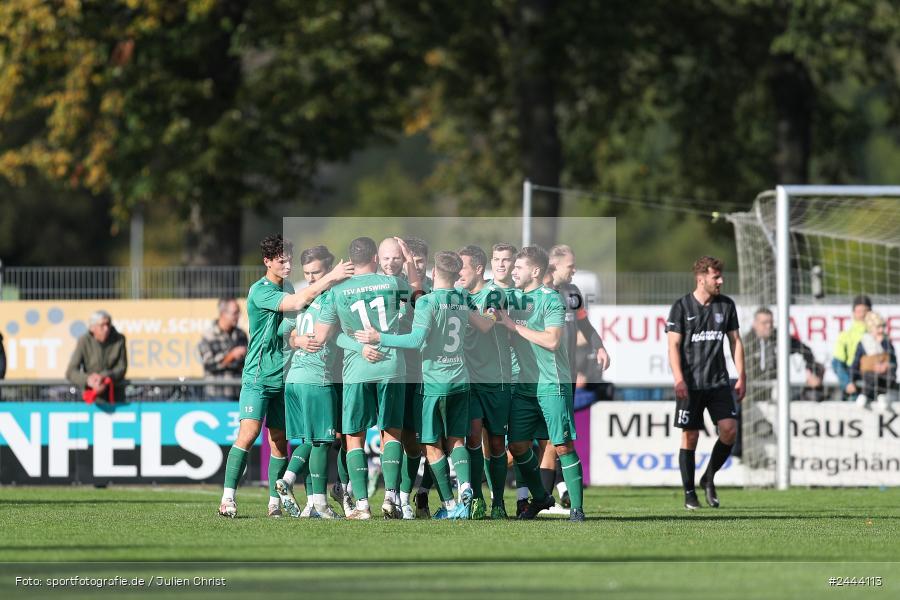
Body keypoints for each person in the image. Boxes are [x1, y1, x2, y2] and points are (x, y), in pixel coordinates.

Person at [218, 234, 353, 519]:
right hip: (258, 375)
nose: (287, 264)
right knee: (249, 432)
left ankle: (273, 502)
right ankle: (228, 498)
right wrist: (332, 277)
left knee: (279, 440)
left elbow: (287, 331)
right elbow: (296, 304)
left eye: (289, 259)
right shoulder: (260, 290)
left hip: (286, 377)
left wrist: (298, 341)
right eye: (282, 260)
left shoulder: (290, 286)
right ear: (267, 262)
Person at [354, 251, 495, 519]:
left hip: (434, 383)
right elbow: (485, 326)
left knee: (431, 444)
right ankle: (466, 488)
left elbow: (416, 340)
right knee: (456, 440)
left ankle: (452, 506)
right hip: (460, 379)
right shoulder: (462, 298)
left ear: (433, 273)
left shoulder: (427, 303)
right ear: (456, 275)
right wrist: (493, 316)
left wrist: (379, 337)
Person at [496, 245, 586, 522]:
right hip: (523, 387)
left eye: (519, 267)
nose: (514, 271)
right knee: (519, 446)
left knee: (561, 445)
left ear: (535, 271)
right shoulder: (511, 296)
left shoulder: (551, 299)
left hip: (552, 384)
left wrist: (514, 327)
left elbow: (552, 340)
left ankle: (577, 509)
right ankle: (542, 497)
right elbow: (487, 295)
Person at [330, 237, 415, 519]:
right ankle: (391, 496)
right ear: (376, 259)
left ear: (350, 261)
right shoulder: (393, 284)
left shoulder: (338, 290)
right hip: (392, 365)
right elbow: (418, 294)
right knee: (392, 431)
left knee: (354, 436)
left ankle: (363, 506)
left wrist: (359, 347)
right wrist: (409, 260)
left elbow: (331, 335)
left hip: (357, 369)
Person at [666, 256, 745, 510]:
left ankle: (708, 477)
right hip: (690, 384)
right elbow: (673, 346)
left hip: (718, 382)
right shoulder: (681, 307)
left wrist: (741, 375)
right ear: (701, 278)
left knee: (730, 429)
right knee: (690, 436)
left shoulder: (726, 306)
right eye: (716, 277)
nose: (720, 281)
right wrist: (679, 378)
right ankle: (690, 494)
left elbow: (735, 341)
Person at [539, 244, 611, 510]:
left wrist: (600, 346)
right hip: (538, 376)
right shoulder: (537, 292)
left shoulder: (573, 293)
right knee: (532, 441)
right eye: (570, 265)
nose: (574, 269)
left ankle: (543, 500)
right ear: (554, 265)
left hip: (564, 377)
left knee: (554, 439)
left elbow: (585, 325)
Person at [275, 245, 344, 519]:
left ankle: (293, 484)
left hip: (295, 379)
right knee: (322, 442)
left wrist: (296, 340)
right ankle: (320, 504)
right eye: (307, 273)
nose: (312, 278)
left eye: (316, 272)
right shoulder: (332, 296)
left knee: (310, 440)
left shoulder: (302, 298)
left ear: (327, 268)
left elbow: (283, 334)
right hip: (316, 379)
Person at [457, 244, 513, 519]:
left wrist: (458, 304)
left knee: (497, 443)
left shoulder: (494, 294)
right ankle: (477, 500)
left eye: (462, 267)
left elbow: (487, 323)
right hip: (469, 380)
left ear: (479, 268)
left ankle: (499, 502)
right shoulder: (457, 296)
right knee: (472, 438)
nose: (458, 273)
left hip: (496, 380)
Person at [744, 307, 823, 402]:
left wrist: (811, 371)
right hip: (752, 386)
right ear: (755, 324)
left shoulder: (780, 337)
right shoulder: (747, 341)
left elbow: (806, 350)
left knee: (782, 394)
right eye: (764, 323)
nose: (769, 326)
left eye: (771, 322)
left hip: (775, 385)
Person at [65, 310, 127, 403]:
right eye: (102, 325)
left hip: (115, 396)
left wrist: (104, 377)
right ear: (92, 328)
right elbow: (71, 372)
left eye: (108, 324)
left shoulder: (119, 339)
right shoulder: (84, 341)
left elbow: (122, 367)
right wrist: (88, 380)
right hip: (91, 398)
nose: (106, 328)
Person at [198, 298, 248, 399]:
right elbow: (209, 364)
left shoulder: (241, 334)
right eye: (235, 313)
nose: (238, 316)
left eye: (239, 313)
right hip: (216, 395)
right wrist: (231, 356)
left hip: (239, 394)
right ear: (223, 313)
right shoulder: (209, 336)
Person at [851, 311, 897, 412]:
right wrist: (851, 380)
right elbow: (856, 362)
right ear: (871, 328)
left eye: (882, 327)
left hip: (884, 375)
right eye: (878, 327)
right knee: (871, 377)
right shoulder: (863, 342)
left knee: (891, 375)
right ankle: (864, 395)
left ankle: (882, 395)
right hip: (869, 374)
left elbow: (893, 361)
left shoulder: (887, 343)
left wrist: (886, 365)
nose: (881, 330)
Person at [832, 295, 873, 401]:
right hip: (853, 385)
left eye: (866, 311)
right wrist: (847, 383)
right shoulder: (845, 336)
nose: (862, 315)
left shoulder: (878, 335)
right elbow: (837, 363)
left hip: (874, 385)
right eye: (859, 311)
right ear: (853, 313)